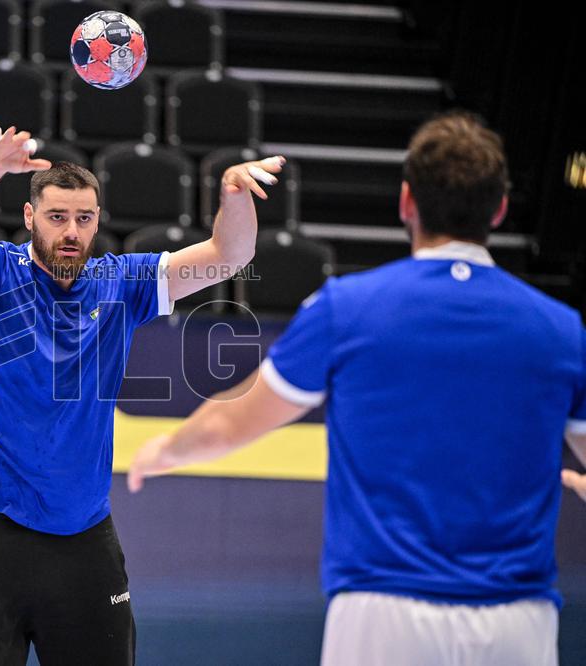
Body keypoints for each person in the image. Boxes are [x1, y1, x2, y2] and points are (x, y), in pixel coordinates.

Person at [128, 111, 586, 666]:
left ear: (406, 202)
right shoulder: (562, 330)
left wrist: (163, 451)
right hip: (520, 620)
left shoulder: (348, 308)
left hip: (384, 613)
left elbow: (232, 421)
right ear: (500, 209)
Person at [0, 119, 286, 665]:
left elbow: (228, 256)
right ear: (29, 216)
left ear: (97, 223)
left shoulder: (121, 283)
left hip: (83, 533)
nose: (70, 231)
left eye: (83, 219)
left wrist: (233, 193)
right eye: (57, 216)